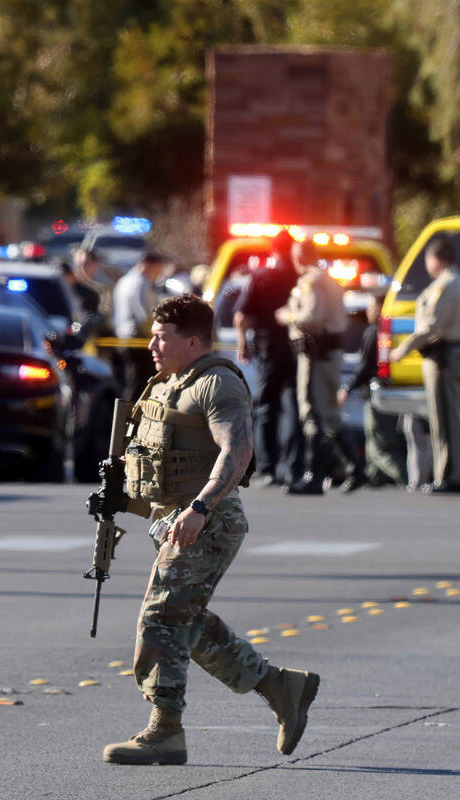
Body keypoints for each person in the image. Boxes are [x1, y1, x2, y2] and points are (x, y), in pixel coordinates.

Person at [103, 294, 320, 766]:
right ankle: (281, 687)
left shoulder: (217, 384)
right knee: (188, 622)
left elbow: (236, 452)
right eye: (153, 335)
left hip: (209, 520)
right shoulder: (166, 383)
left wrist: (201, 506)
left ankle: (165, 731)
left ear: (195, 340)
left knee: (161, 618)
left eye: (163, 338)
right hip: (173, 519)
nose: (152, 345)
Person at [275, 239, 365, 495]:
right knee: (325, 412)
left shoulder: (311, 281)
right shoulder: (326, 279)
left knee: (313, 411)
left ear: (300, 257)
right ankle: (352, 468)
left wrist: (287, 316)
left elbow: (312, 317)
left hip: (316, 354)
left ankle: (317, 475)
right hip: (325, 353)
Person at [389, 236, 460, 494]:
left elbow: (431, 325)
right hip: (456, 354)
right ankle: (455, 474)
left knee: (443, 421)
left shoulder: (445, 286)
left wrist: (403, 348)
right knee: (452, 419)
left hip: (444, 358)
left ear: (436, 260)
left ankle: (447, 477)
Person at [233, 230, 304, 487]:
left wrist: (243, 344)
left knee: (266, 408)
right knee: (296, 408)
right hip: (299, 349)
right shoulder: (301, 277)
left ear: (272, 248)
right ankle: (295, 466)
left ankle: (268, 467)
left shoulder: (261, 276)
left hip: (269, 350)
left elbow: (241, 316)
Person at [340, 293, 407, 488]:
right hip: (391, 391)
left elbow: (365, 368)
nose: (368, 312)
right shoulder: (392, 330)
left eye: (371, 307)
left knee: (379, 445)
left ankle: (406, 477)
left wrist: (346, 388)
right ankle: (373, 477)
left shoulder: (373, 332)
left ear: (379, 308)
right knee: (376, 440)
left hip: (374, 394)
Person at [112, 251, 165, 401]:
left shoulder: (125, 280)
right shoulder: (140, 283)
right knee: (140, 384)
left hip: (124, 336)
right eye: (158, 270)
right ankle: (128, 418)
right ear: (149, 265)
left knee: (132, 381)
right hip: (138, 339)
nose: (158, 274)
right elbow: (146, 317)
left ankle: (125, 417)